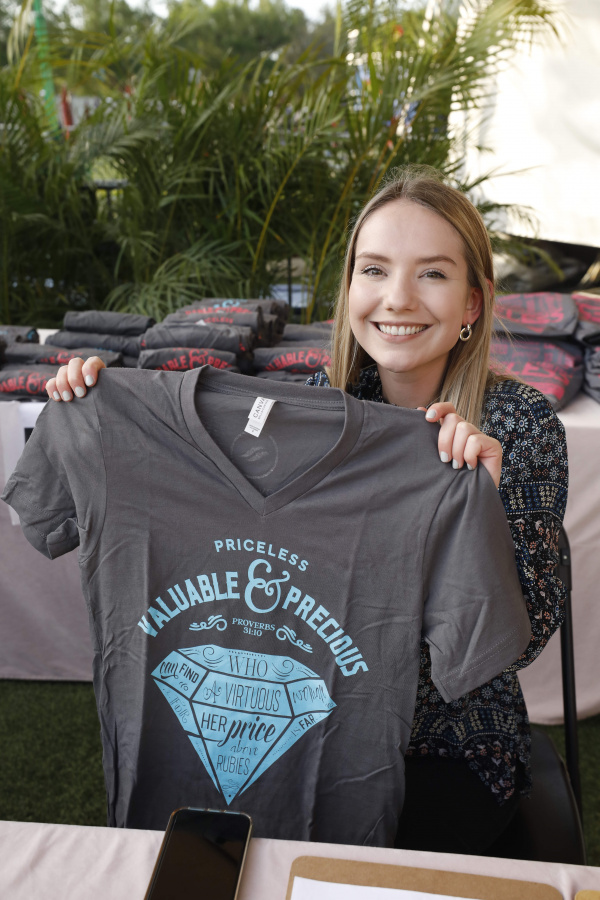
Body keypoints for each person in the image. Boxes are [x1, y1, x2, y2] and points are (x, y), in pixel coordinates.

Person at [44, 166, 568, 855]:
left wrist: (482, 512)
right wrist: (97, 409)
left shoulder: (519, 425)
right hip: (311, 728)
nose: (398, 297)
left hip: (450, 744)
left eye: (433, 274)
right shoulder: (310, 406)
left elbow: (518, 644)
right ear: (349, 290)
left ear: (474, 301)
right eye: (374, 270)